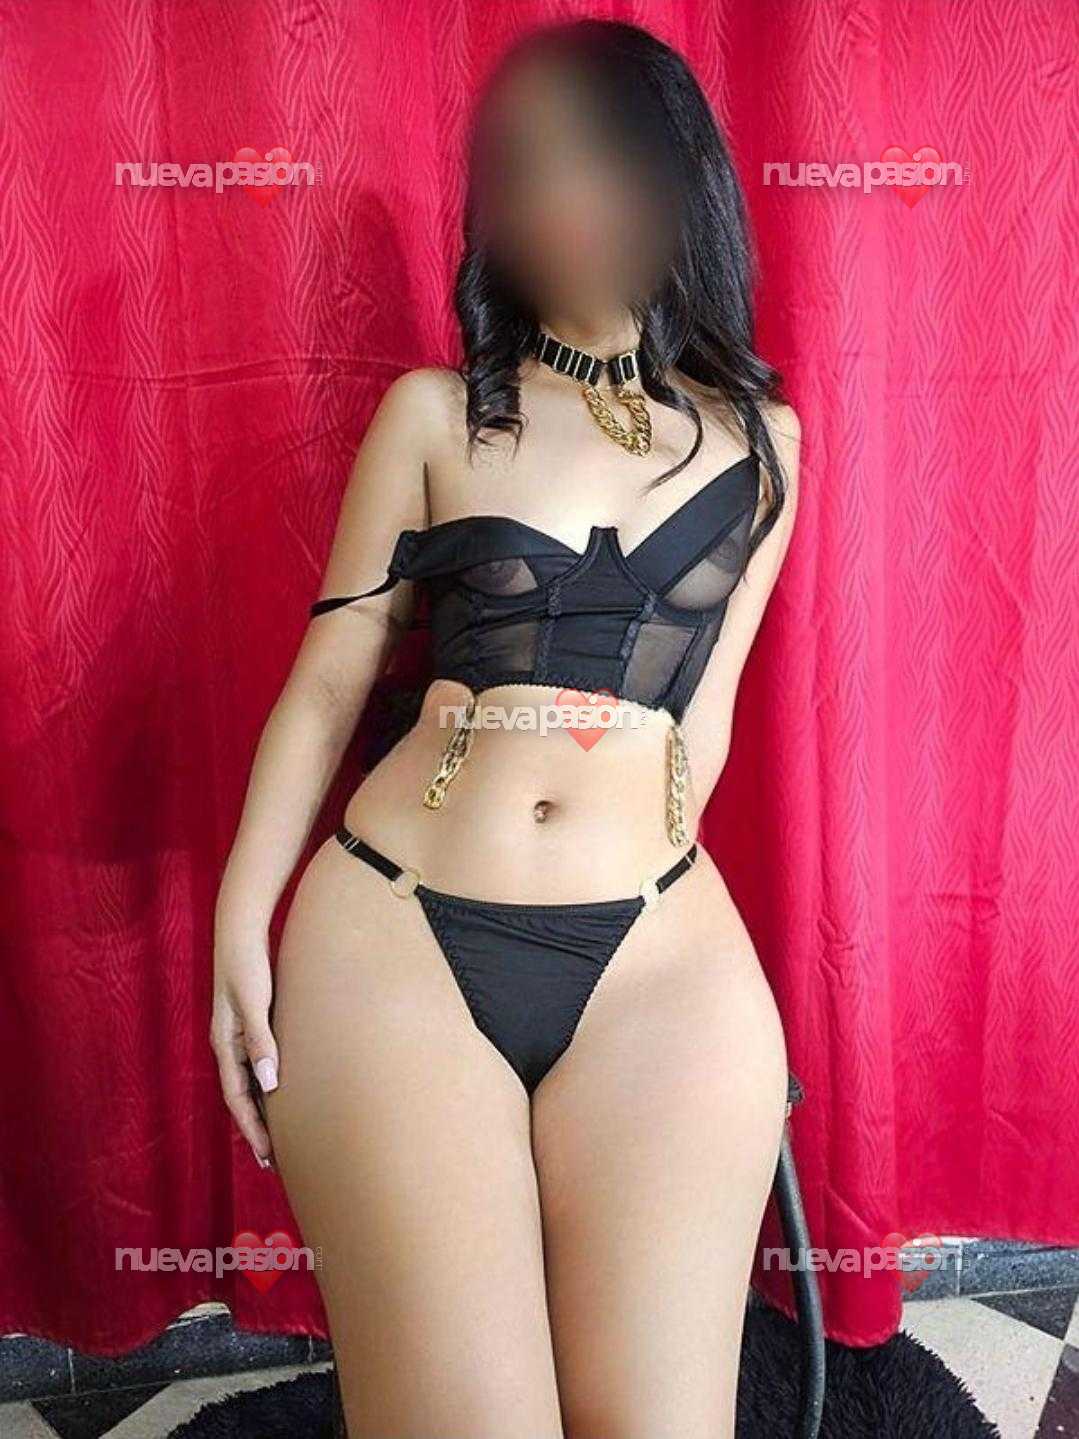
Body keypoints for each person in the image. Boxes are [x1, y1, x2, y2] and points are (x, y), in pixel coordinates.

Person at [212, 19, 801, 1438]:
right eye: (524, 164)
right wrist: (238, 922)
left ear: (677, 171)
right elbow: (331, 678)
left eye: (595, 155)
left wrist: (670, 902)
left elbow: (708, 716)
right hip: (399, 932)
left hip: (655, 956)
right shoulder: (435, 416)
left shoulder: (766, 439)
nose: (561, 195)